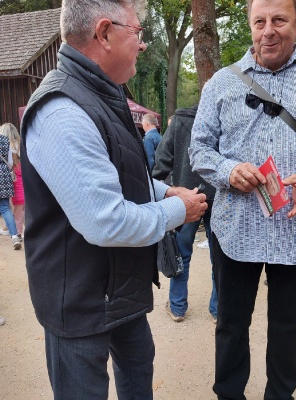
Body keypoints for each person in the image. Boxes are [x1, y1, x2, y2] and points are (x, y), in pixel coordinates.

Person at [20, 1, 207, 399]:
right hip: (81, 304)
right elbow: (105, 219)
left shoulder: (104, 96)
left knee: (138, 378)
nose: (142, 45)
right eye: (137, 33)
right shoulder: (62, 110)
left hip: (120, 292)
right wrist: (179, 209)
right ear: (104, 33)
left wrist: (162, 190)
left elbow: (117, 176)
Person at [189, 0, 296, 398]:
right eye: (259, 21)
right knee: (231, 324)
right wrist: (229, 171)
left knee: (286, 328)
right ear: (249, 26)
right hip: (235, 229)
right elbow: (199, 151)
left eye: (279, 20)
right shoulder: (223, 83)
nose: (268, 30)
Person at [153, 104, 218, 323]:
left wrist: (162, 188)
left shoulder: (181, 119)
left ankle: (178, 307)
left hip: (187, 195)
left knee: (180, 252)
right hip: (217, 196)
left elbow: (162, 157)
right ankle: (217, 309)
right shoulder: (225, 118)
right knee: (219, 255)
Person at [0, 129, 21, 250]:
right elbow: (10, 161)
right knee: (5, 207)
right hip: (3, 174)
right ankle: (14, 236)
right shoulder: (4, 140)